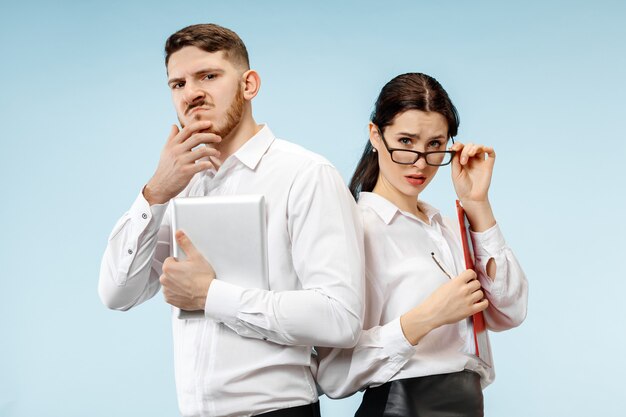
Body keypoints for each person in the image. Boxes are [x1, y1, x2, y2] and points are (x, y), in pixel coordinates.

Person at [98, 23, 364, 417]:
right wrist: (155, 192)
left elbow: (341, 318)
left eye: (208, 75)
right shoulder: (178, 186)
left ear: (249, 84)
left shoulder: (306, 174)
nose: (192, 93)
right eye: (178, 84)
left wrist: (211, 296)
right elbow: (117, 294)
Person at [315, 73, 528, 417]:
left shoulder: (445, 227)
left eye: (434, 145)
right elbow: (334, 373)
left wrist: (477, 204)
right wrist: (426, 317)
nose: (420, 162)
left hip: (467, 403)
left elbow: (512, 310)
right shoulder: (356, 229)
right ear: (375, 135)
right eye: (406, 141)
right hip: (401, 406)